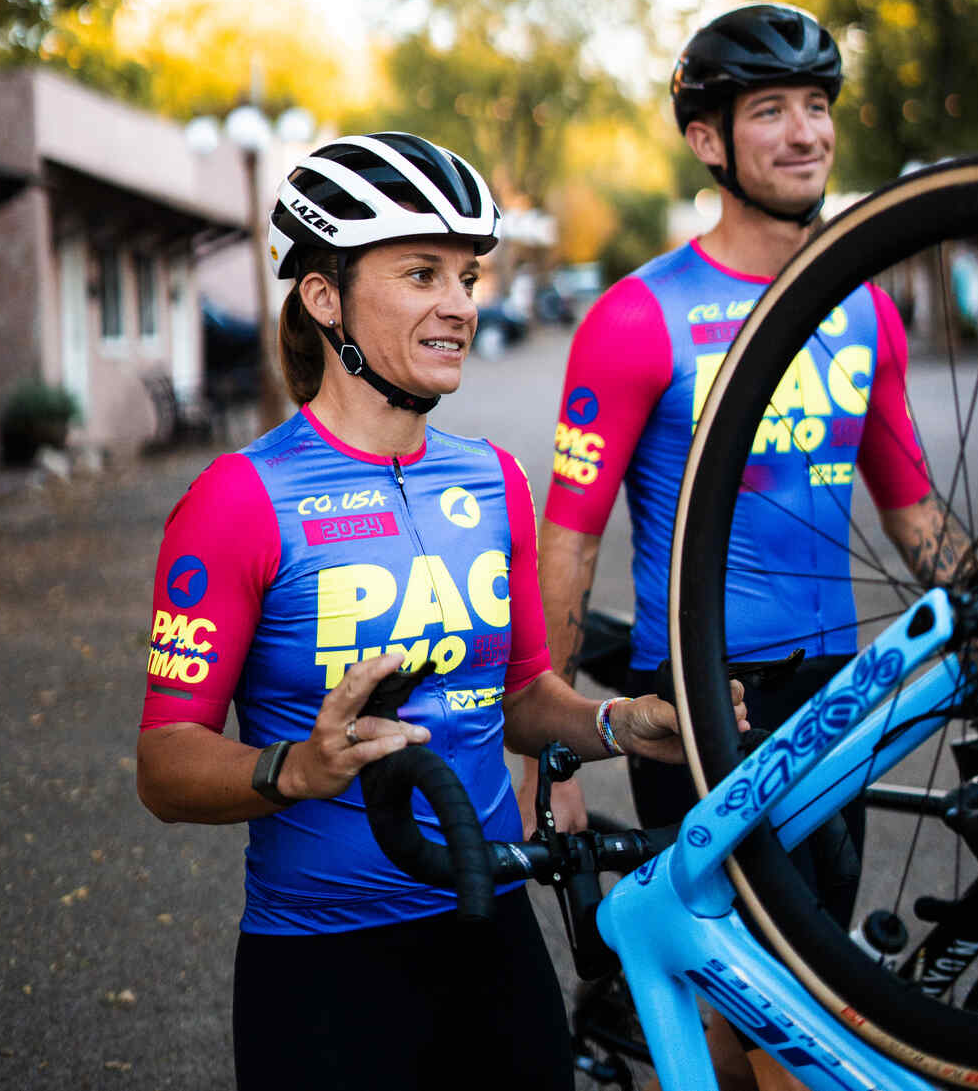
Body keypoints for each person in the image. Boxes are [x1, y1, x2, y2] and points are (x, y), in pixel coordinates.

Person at [136, 131, 746, 1091]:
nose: (460, 304)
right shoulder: (238, 500)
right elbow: (165, 764)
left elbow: (519, 697)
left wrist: (617, 724)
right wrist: (294, 767)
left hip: (492, 930)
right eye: (422, 273)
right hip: (325, 965)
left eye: (467, 276)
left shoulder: (494, 479)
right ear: (323, 295)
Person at [521, 3, 970, 1091]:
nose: (803, 132)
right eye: (767, 110)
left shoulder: (865, 309)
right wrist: (546, 736)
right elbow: (568, 542)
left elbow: (914, 517)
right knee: (760, 1014)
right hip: (700, 695)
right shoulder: (637, 318)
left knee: (813, 988)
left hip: (838, 689)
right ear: (707, 140)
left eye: (815, 106)